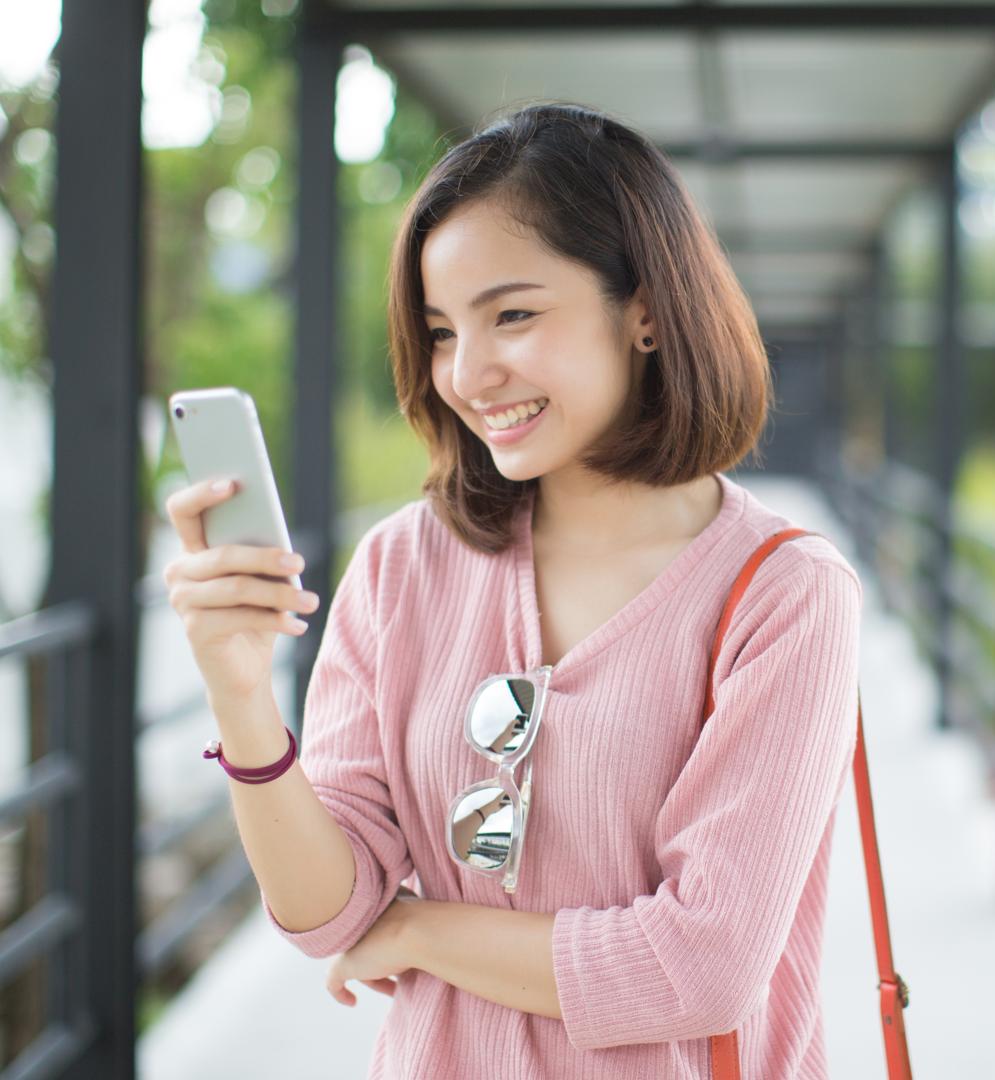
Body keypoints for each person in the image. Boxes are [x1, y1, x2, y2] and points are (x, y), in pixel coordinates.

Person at [164, 101, 863, 1079]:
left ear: (647, 310)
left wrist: (419, 930)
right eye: (441, 331)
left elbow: (702, 967)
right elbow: (326, 913)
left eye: (514, 315)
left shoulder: (785, 595)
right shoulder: (402, 565)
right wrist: (240, 695)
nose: (469, 373)